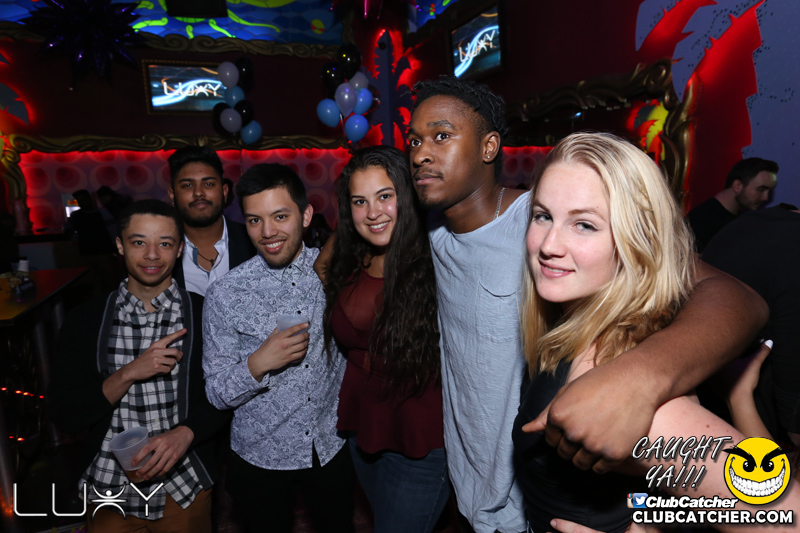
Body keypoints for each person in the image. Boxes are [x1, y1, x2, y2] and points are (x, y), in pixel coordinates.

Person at [405, 76, 767, 533]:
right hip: (479, 491)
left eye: (585, 225)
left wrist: (643, 378)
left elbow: (779, 510)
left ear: (489, 146)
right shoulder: (436, 229)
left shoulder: (609, 370)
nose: (549, 243)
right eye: (413, 140)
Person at [512, 131, 799, 533]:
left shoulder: (618, 380)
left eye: (585, 225)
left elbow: (785, 518)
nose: (549, 244)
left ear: (637, 241)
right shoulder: (571, 321)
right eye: (543, 216)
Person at [48, 200, 230, 531]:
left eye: (165, 243)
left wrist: (188, 432)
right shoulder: (85, 321)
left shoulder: (206, 314)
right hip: (109, 487)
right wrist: (129, 372)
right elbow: (65, 414)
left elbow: (226, 396)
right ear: (120, 245)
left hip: (183, 484)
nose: (152, 255)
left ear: (179, 250)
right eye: (139, 242)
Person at [202, 163, 354, 533]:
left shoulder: (334, 274)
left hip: (329, 447)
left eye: (280, 216)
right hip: (260, 458)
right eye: (254, 220)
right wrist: (258, 363)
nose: (267, 232)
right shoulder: (225, 294)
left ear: (306, 216)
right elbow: (216, 394)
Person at [322, 146, 448, 532]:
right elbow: (320, 268)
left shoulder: (439, 257)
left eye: (384, 196)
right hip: (363, 428)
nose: (373, 212)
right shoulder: (352, 257)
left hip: (421, 439)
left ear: (407, 195)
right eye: (359, 201)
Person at [702, 203, 800, 445]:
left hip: (704, 406)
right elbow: (793, 419)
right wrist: (739, 397)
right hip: (738, 432)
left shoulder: (752, 221)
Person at [167, 146, 255, 296]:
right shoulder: (161, 250)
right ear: (172, 195)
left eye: (208, 184)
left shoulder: (254, 241)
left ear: (224, 192)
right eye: (187, 185)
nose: (198, 193)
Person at [686, 157, 778, 252]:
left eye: (769, 191)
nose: (765, 197)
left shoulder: (741, 219)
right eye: (761, 190)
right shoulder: (702, 219)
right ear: (737, 186)